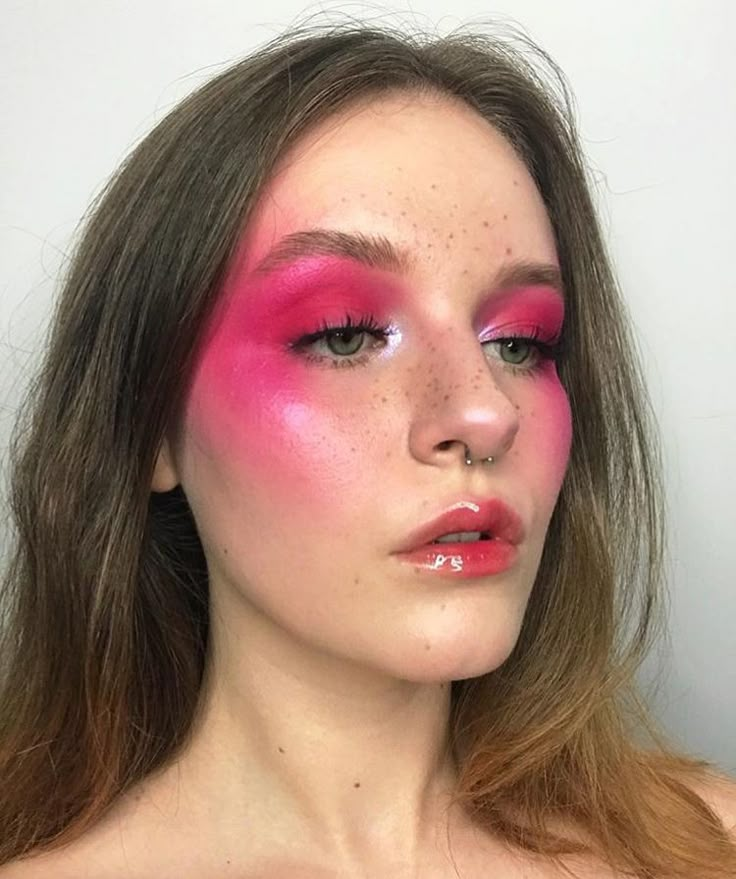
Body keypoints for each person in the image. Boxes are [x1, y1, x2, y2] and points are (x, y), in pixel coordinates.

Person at [0, 16, 734, 879]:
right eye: (345, 334)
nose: (484, 410)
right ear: (153, 426)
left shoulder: (707, 841)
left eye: (521, 342)